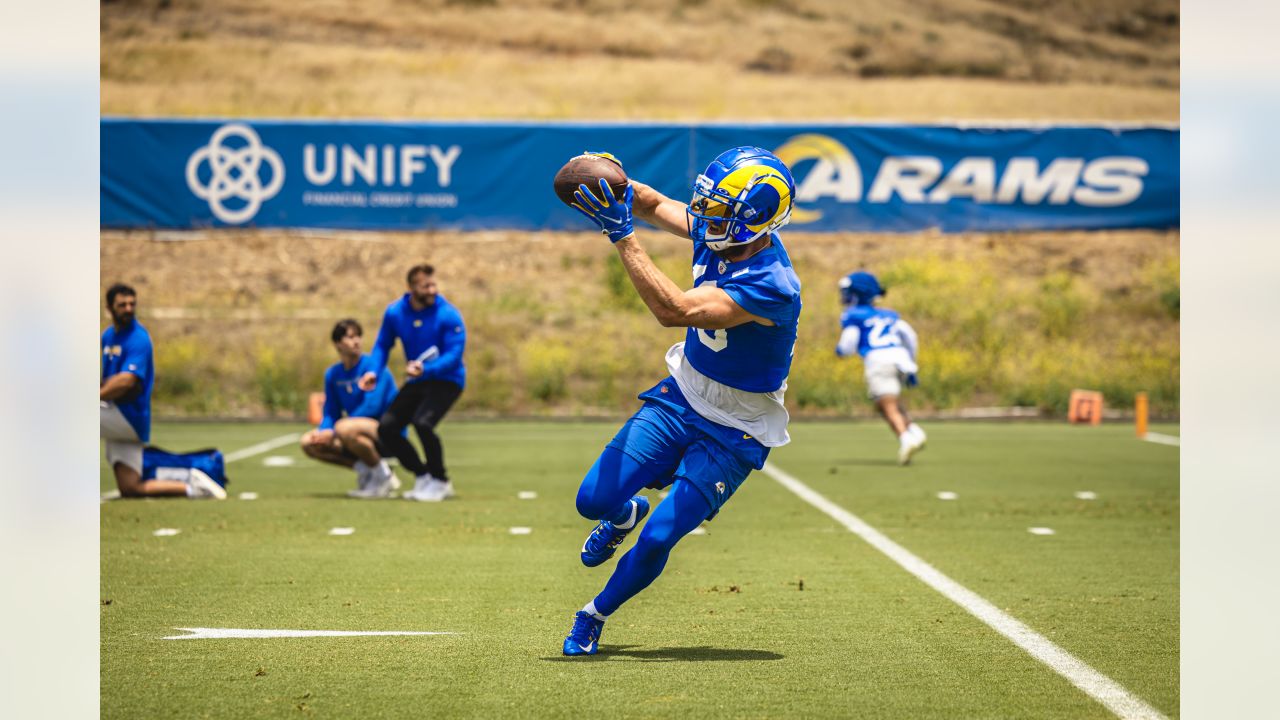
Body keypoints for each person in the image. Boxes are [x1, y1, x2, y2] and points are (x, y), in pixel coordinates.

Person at [559, 147, 801, 656]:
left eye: (717, 211)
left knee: (659, 537)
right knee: (592, 501)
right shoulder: (726, 230)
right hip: (684, 394)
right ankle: (623, 514)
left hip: (736, 427)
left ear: (753, 220)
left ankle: (593, 614)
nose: (703, 218)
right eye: (708, 206)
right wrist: (615, 185)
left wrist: (621, 236)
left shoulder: (773, 285)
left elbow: (675, 310)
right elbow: (652, 203)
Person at [100, 283, 224, 499]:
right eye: (122, 305)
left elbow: (127, 380)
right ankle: (194, 487)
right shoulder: (108, 336)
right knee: (130, 488)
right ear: (109, 307)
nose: (129, 308)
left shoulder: (138, 338)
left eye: (132, 304)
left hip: (128, 417)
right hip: (115, 417)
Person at [359, 264, 467, 502]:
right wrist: (372, 372)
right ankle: (422, 475)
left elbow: (454, 354)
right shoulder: (395, 312)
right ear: (411, 288)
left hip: (447, 380)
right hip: (418, 379)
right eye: (425, 286)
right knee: (386, 428)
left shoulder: (448, 314)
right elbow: (382, 345)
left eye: (433, 284)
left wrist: (426, 369)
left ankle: (440, 481)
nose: (432, 290)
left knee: (423, 423)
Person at [299, 319, 401, 498]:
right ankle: (367, 471)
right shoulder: (333, 374)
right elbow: (331, 410)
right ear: (338, 343)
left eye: (359, 336)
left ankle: (384, 477)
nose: (357, 341)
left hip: (388, 432)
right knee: (309, 442)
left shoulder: (375, 368)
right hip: (351, 431)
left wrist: (337, 429)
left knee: (343, 428)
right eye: (350, 337)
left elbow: (373, 406)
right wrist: (325, 430)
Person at [835, 271, 927, 464]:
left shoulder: (853, 315)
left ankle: (906, 438)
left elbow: (849, 341)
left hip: (878, 360)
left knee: (887, 405)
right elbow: (909, 336)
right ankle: (914, 431)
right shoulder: (889, 315)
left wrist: (841, 350)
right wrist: (912, 363)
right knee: (889, 402)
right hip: (901, 358)